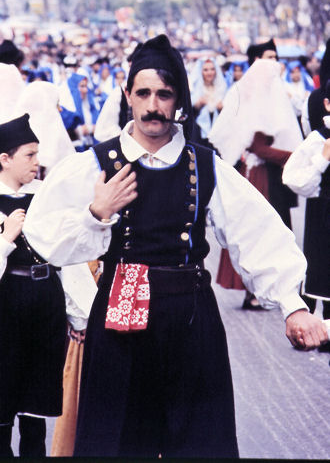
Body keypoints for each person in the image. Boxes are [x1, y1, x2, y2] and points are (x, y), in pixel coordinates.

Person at [24, 35, 328, 458]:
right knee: (119, 442)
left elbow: (256, 232)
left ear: (178, 100)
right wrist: (96, 213)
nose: (153, 105)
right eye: (143, 92)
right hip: (119, 323)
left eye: (164, 94)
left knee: (199, 442)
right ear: (127, 95)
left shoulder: (205, 166)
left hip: (190, 320)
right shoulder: (95, 163)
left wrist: (291, 304)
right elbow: (42, 234)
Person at [208, 59, 303, 310]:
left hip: (257, 172)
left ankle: (256, 290)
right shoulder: (258, 106)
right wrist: (290, 156)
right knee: (256, 230)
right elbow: (257, 147)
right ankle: (252, 291)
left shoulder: (256, 103)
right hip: (257, 174)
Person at [0, 114, 67, 457]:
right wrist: (7, 238)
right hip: (6, 306)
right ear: (5, 159)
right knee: (3, 394)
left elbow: (66, 256)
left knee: (37, 403)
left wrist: (79, 313)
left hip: (46, 303)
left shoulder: (44, 196)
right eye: (29, 155)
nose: (37, 162)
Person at [283, 79, 330, 338]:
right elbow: (293, 178)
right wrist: (323, 159)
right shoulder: (318, 139)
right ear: (327, 104)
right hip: (324, 218)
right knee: (324, 277)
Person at [190, 57, 227, 146]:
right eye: (206, 70)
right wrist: (197, 106)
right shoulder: (195, 89)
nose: (209, 73)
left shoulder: (221, 88)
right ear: (201, 72)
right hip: (199, 132)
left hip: (218, 131)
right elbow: (189, 113)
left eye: (212, 69)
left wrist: (222, 108)